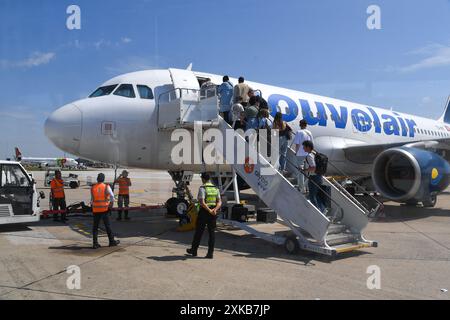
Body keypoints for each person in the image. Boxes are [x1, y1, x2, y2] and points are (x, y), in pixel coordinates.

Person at [187, 173, 222, 259]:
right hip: (213, 212)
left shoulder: (203, 188)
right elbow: (219, 201)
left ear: (203, 179)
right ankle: (210, 253)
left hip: (204, 212)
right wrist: (215, 210)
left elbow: (202, 202)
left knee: (199, 232)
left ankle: (194, 250)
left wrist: (209, 210)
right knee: (212, 233)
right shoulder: (215, 188)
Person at [91, 173, 120, 249]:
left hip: (95, 210)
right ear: (103, 179)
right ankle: (111, 241)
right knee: (107, 226)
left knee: (95, 227)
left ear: (97, 179)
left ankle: (95, 243)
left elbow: (92, 199)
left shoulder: (93, 187)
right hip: (104, 209)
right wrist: (110, 204)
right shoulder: (106, 186)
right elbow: (112, 196)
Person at [302, 141, 326, 213]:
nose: (303, 148)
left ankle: (316, 212)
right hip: (319, 176)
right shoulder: (315, 153)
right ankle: (322, 209)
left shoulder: (309, 156)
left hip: (314, 177)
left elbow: (313, 167)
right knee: (316, 194)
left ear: (308, 147)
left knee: (312, 196)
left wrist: (304, 170)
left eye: (304, 147)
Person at [293, 119, 313, 192]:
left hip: (300, 154)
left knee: (300, 171)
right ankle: (307, 187)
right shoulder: (309, 133)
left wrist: (296, 152)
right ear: (306, 125)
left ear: (300, 125)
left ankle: (301, 187)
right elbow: (312, 144)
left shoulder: (299, 132)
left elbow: (297, 144)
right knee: (307, 172)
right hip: (308, 154)